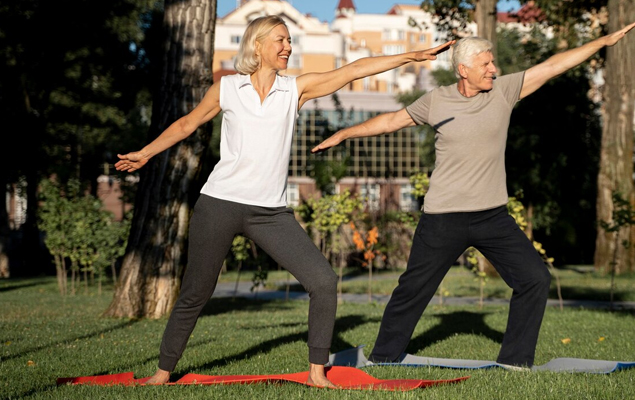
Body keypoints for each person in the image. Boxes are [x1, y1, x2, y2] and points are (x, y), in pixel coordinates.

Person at [116, 15, 453, 387]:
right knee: (197, 290)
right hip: (219, 203)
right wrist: (145, 153)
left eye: (290, 41)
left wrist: (411, 57)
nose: (287, 47)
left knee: (323, 281)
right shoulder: (227, 88)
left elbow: (354, 69)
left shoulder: (295, 89)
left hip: (270, 213)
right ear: (257, 44)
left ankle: (316, 372)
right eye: (280, 40)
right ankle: (162, 373)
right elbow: (186, 125)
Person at [312, 21, 635, 369]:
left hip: (491, 216)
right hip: (442, 216)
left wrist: (602, 41)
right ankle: (383, 357)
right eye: (486, 64)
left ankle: (514, 361)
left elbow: (553, 65)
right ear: (463, 70)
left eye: (493, 63)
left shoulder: (503, 91)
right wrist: (344, 133)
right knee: (412, 290)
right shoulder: (437, 100)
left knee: (534, 278)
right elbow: (393, 120)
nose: (494, 69)